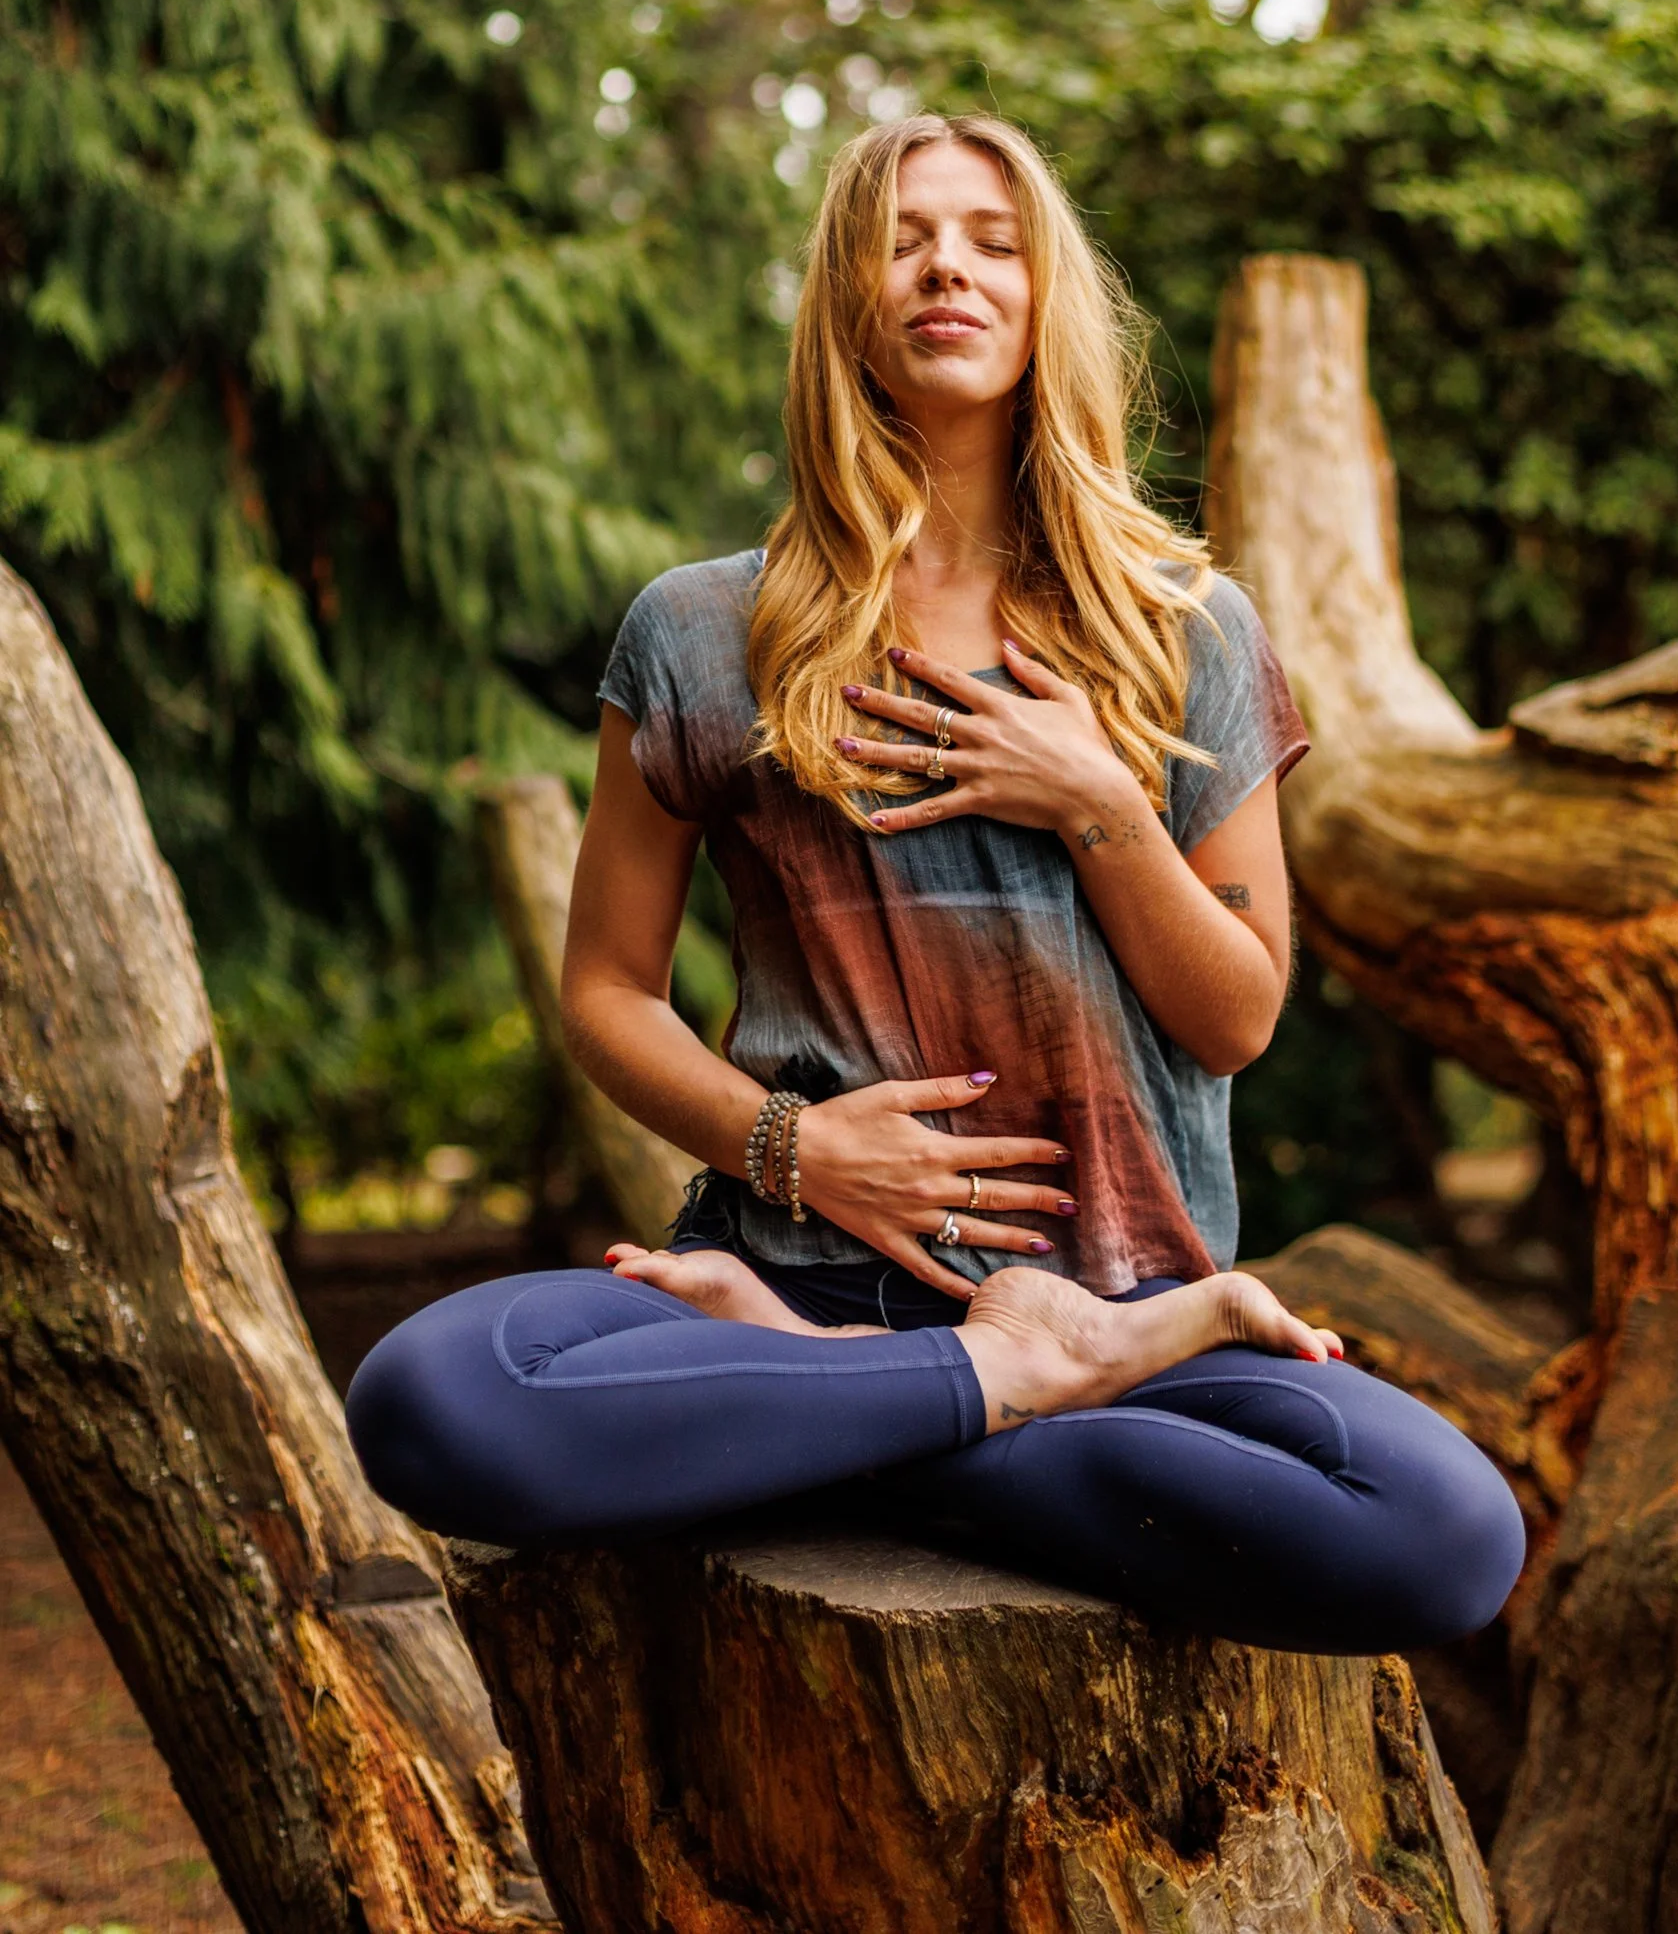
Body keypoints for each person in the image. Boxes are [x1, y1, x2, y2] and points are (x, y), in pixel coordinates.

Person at [348, 112, 1524, 1650]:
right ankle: (974, 1392)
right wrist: (791, 1149)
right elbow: (607, 990)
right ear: (847, 302)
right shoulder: (707, 632)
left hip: (1124, 1312)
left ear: (1049, 300)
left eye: (990, 238)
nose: (944, 269)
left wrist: (1101, 801)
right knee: (431, 1400)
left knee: (1444, 1539)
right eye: (902, 240)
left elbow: (1236, 1017)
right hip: (789, 1283)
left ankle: (833, 1434)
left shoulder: (1189, 631)